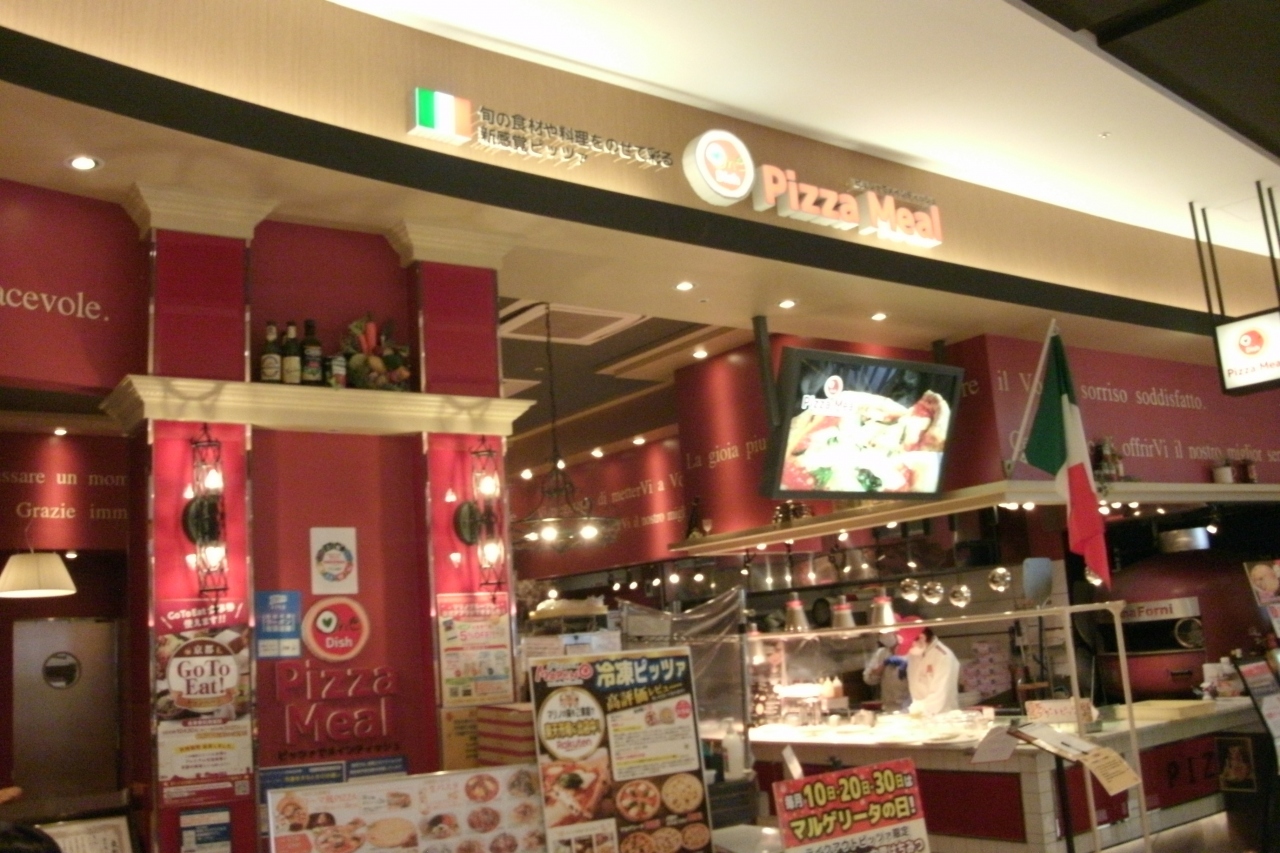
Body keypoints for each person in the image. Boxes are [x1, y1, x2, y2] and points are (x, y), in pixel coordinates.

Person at [905, 627, 960, 715]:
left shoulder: (944, 656)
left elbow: (939, 697)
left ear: (922, 638)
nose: (908, 651)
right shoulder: (914, 655)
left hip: (943, 716)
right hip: (920, 714)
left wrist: (918, 709)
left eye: (909, 646)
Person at [862, 629, 911, 712]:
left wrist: (907, 667)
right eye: (880, 634)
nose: (883, 636)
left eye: (887, 632)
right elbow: (868, 679)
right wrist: (884, 664)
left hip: (909, 705)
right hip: (889, 706)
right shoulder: (881, 653)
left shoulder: (911, 651)